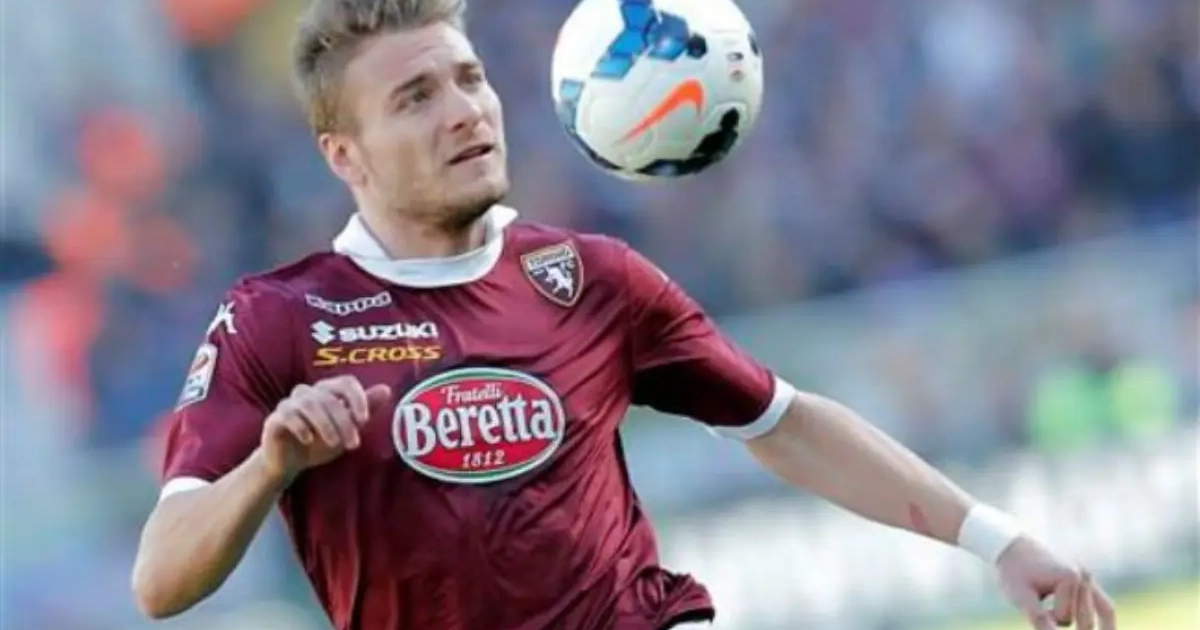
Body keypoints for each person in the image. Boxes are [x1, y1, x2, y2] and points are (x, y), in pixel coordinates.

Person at [130, 1, 1118, 629]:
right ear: (343, 154)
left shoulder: (592, 277)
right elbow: (160, 582)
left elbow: (783, 421)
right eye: (416, 98)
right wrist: (271, 464)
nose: (465, 110)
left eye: (469, 78)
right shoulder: (280, 319)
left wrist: (997, 540)